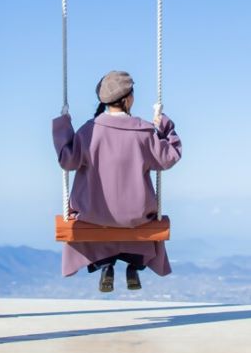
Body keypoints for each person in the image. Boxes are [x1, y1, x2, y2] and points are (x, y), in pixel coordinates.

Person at [52, 70, 182, 292]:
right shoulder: (144, 132)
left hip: (93, 214)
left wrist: (63, 125)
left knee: (94, 219)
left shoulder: (88, 131)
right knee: (139, 220)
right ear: (128, 98)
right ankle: (134, 265)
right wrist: (165, 126)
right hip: (136, 216)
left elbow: (67, 161)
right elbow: (169, 157)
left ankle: (105, 265)